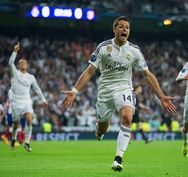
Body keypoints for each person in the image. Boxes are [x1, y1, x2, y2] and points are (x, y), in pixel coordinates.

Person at [61, 16, 176, 172]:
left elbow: (148, 74)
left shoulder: (134, 51)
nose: (124, 30)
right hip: (105, 92)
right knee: (103, 128)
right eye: (121, 27)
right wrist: (74, 91)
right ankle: (99, 129)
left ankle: (118, 159)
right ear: (114, 29)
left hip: (124, 88)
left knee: (127, 117)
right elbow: (89, 71)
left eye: (127, 27)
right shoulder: (103, 47)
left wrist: (161, 96)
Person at [9, 42, 48, 152]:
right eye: (21, 62)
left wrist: (43, 99)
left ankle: (26, 142)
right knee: (16, 124)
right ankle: (13, 138)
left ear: (27, 65)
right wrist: (15, 51)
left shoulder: (31, 77)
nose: (23, 63)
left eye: (25, 62)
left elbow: (37, 89)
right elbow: (10, 63)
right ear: (18, 65)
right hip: (16, 102)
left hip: (26, 101)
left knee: (29, 120)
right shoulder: (14, 73)